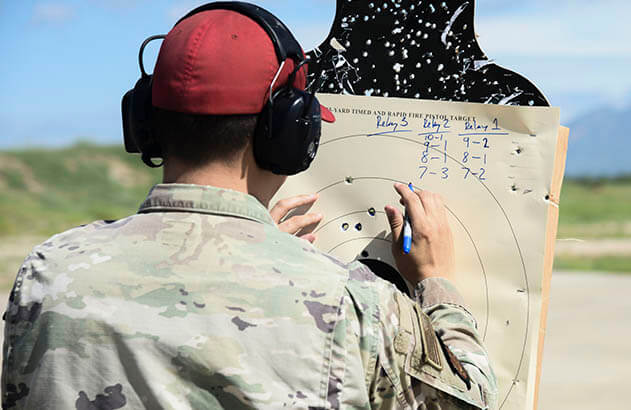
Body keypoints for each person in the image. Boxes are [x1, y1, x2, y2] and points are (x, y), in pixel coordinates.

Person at [2, 2, 497, 409]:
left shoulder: (47, 275)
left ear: (145, 123)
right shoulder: (355, 303)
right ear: (287, 132)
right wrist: (438, 284)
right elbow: (471, 400)